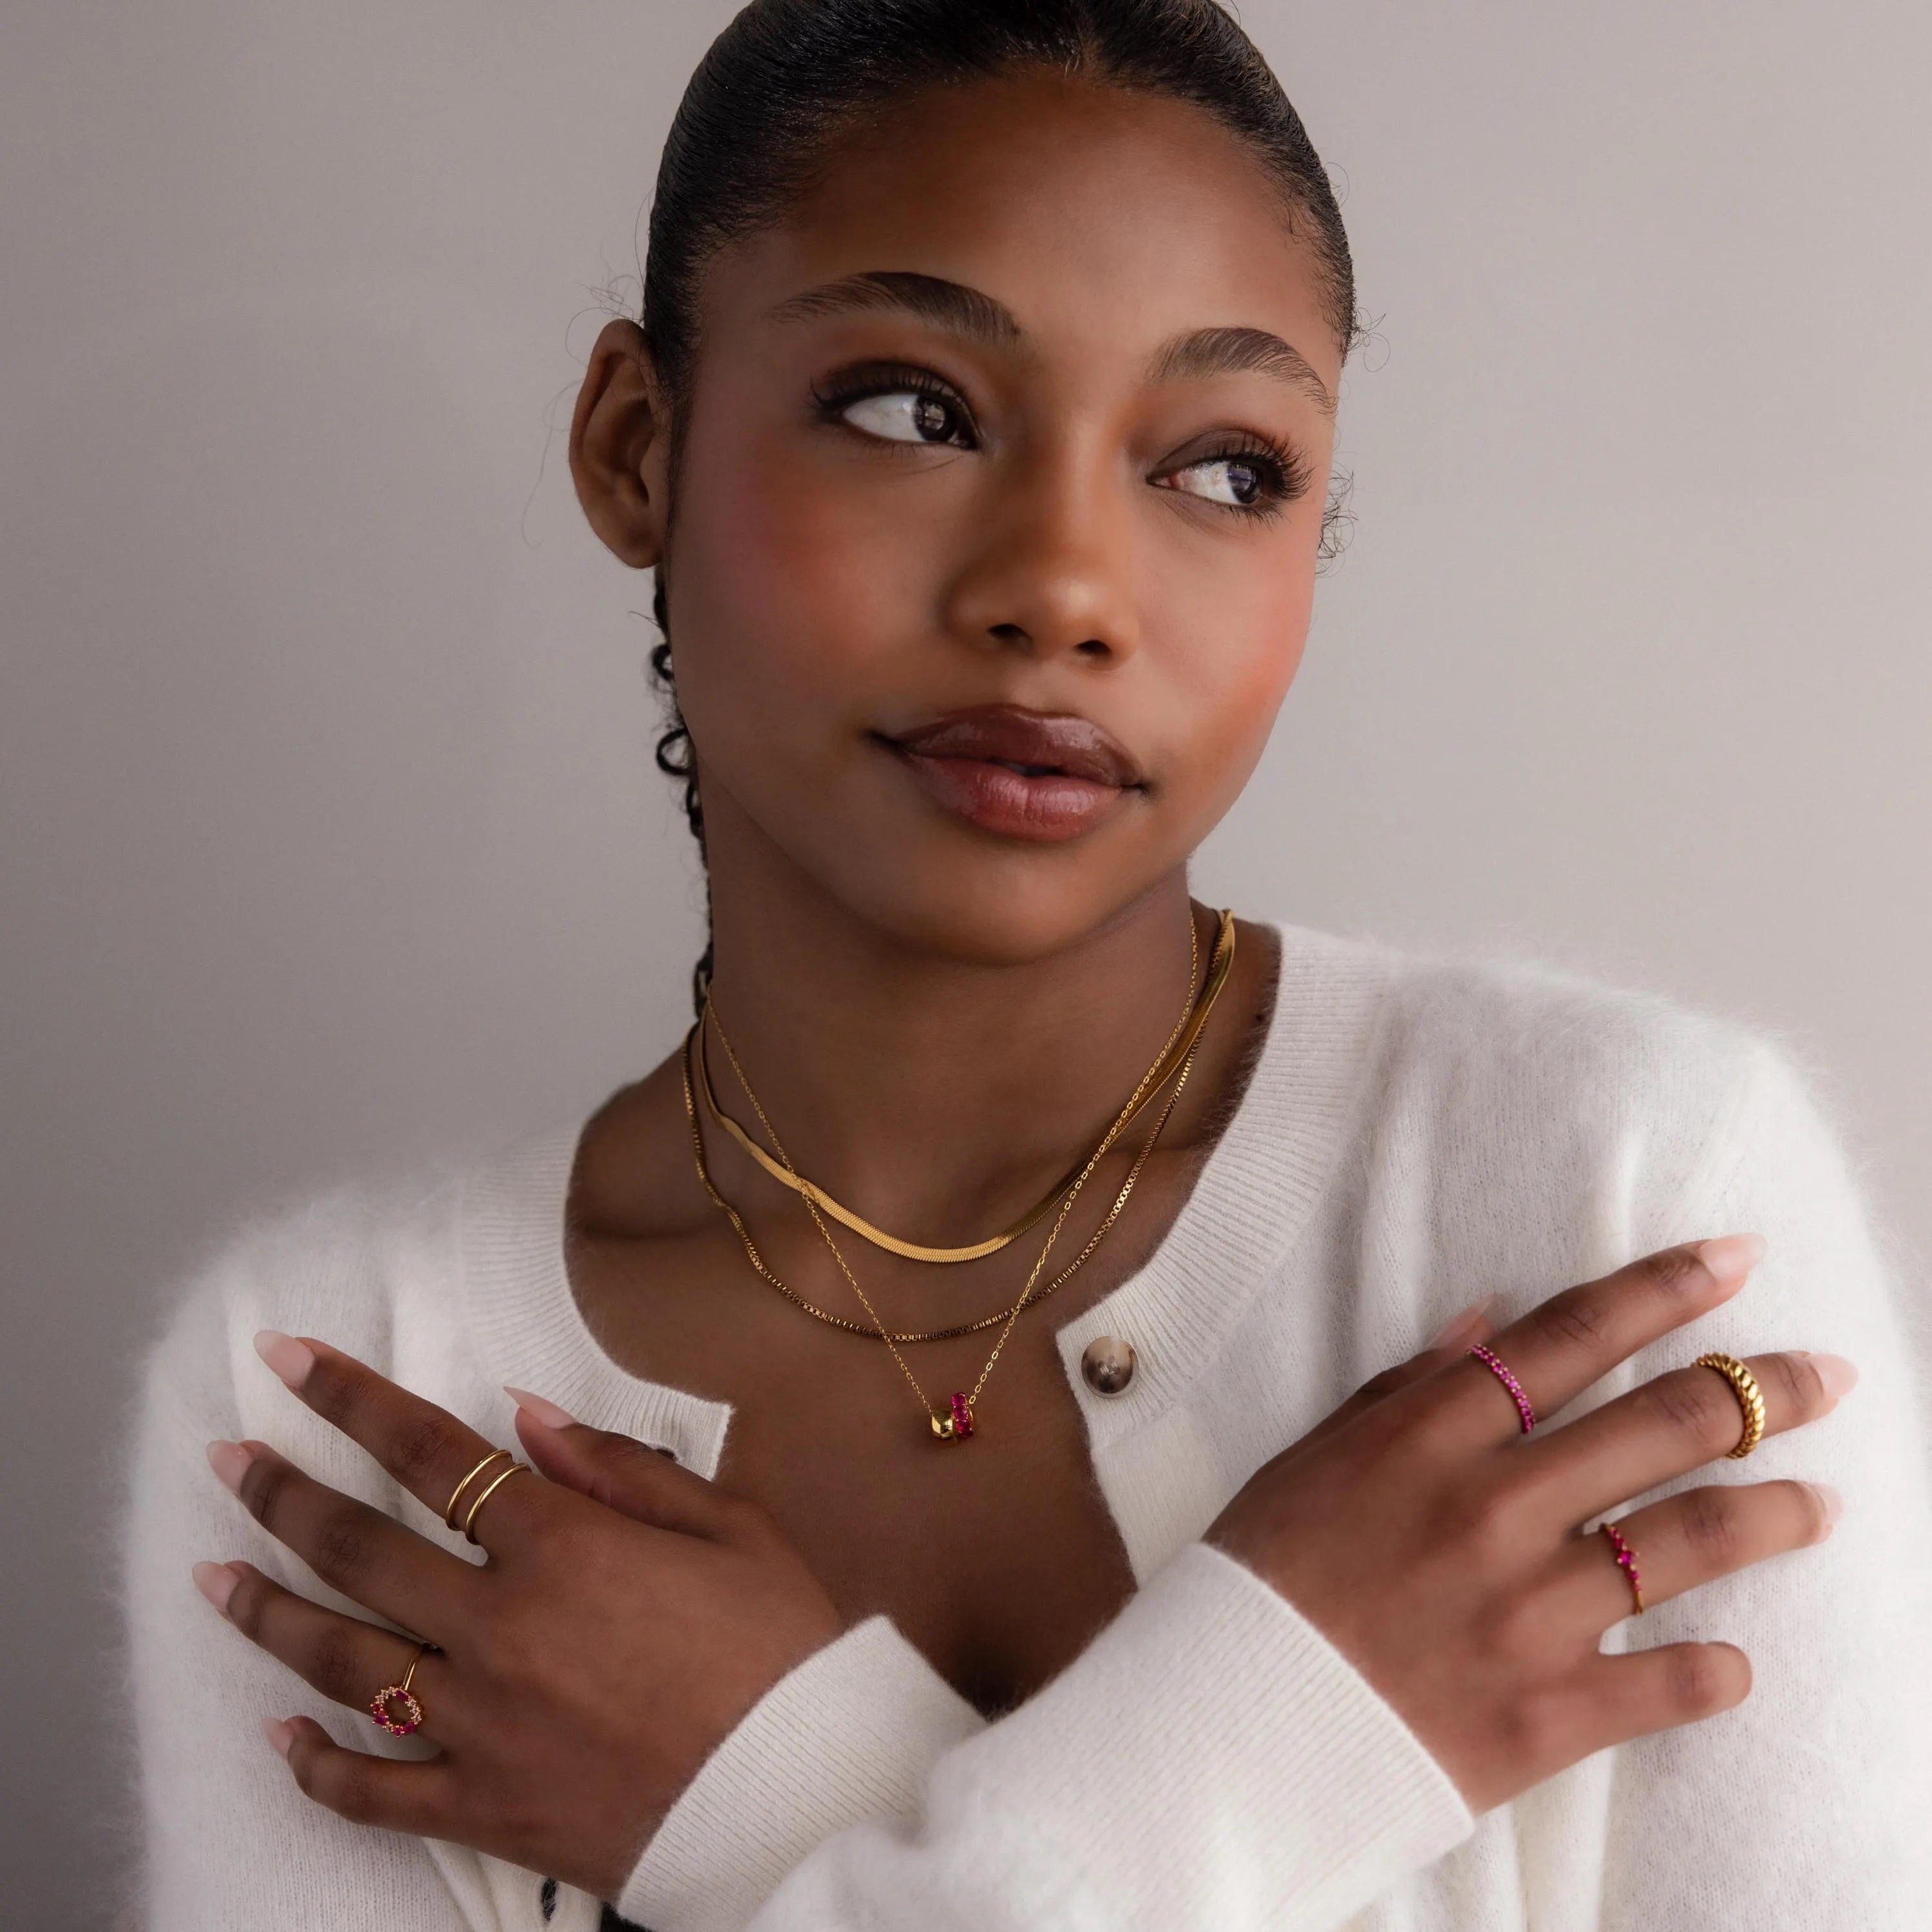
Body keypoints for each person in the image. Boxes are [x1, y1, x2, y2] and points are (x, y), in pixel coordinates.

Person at [123, 3, 1932, 1929]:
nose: (1065, 589)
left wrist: (777, 1808)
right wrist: (1257, 1751)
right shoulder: (346, 1393)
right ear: (635, 446)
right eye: (917, 407)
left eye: (1227, 468)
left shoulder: (1624, 1208)